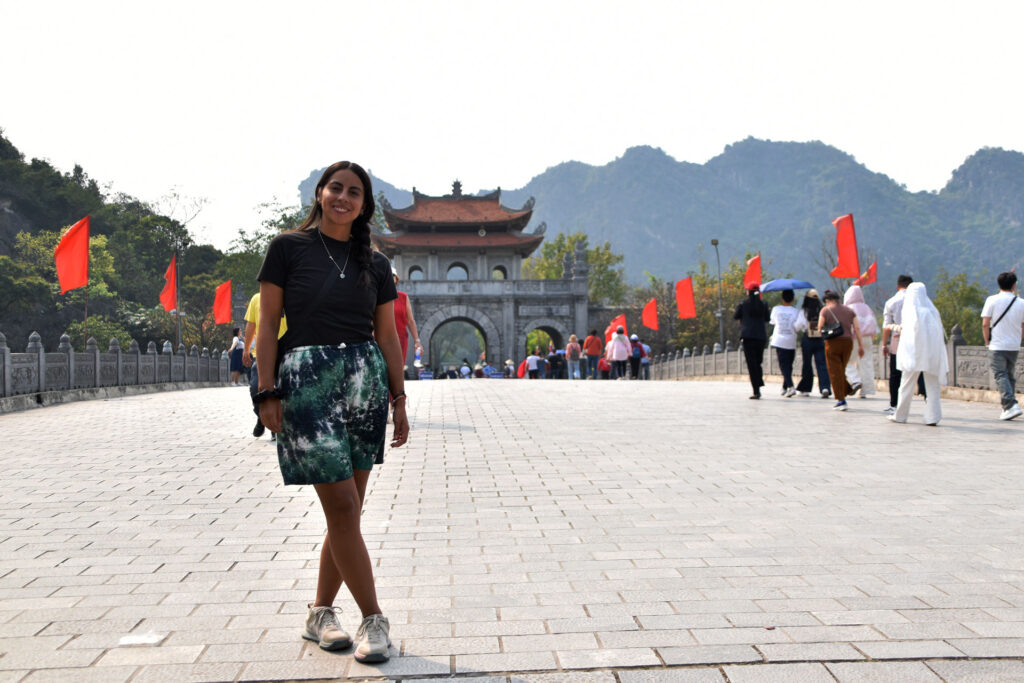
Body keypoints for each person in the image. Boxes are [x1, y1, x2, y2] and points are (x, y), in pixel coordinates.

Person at [254, 161, 407, 663]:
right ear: (319, 193)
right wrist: (266, 391)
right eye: (335, 188)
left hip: (364, 382)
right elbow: (268, 323)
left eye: (354, 192)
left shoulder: (375, 263)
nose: (343, 197)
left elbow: (387, 336)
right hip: (307, 382)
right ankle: (374, 619)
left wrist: (399, 398)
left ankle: (319, 613)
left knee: (348, 513)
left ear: (364, 205)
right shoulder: (287, 247)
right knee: (342, 507)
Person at [890, 282, 947, 425]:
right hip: (931, 354)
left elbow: (909, 336)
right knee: (932, 386)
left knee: (906, 385)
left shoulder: (911, 311)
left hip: (913, 354)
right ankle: (933, 417)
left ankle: (900, 415)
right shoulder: (932, 311)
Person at [242, 292, 288, 439]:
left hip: (286, 351)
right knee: (255, 387)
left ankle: (276, 424)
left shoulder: (289, 295)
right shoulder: (257, 298)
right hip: (262, 352)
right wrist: (246, 349)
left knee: (283, 389)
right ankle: (261, 416)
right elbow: (251, 325)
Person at [981, 271, 1024, 420]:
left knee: (1000, 374)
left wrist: (987, 341)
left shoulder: (991, 300)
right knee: (1009, 375)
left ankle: (1011, 405)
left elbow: (985, 324)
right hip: (1014, 345)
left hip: (997, 345)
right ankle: (1007, 408)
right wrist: (1018, 338)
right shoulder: (1021, 302)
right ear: (1014, 285)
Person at [882, 275, 926, 415]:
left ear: (898, 286)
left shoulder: (891, 302)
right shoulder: (921, 301)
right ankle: (927, 398)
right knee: (919, 369)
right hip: (917, 340)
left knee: (895, 374)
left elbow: (886, 326)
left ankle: (894, 404)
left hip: (898, 340)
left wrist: (884, 344)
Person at [818, 289, 864, 411]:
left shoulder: (825, 310)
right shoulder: (850, 310)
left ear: (827, 300)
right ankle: (847, 389)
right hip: (848, 343)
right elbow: (857, 328)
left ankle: (841, 400)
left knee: (834, 371)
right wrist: (861, 345)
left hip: (832, 343)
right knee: (841, 370)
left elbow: (820, 327)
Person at [843, 285, 879, 399]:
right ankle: (865, 391)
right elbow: (874, 324)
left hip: (854, 338)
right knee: (866, 363)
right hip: (868, 338)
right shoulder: (867, 308)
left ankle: (855, 380)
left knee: (847, 361)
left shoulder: (848, 308)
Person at [734, 286, 770, 399]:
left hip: (748, 337)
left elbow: (736, 316)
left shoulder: (743, 304)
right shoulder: (764, 304)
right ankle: (759, 380)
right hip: (760, 337)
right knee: (758, 362)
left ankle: (756, 390)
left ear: (748, 292)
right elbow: (767, 319)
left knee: (751, 364)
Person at [793, 289, 830, 398]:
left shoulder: (804, 311)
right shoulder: (822, 310)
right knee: (822, 364)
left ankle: (805, 389)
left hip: (807, 339)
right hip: (820, 339)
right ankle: (825, 387)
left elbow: (797, 327)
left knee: (807, 364)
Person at [391, 266, 422, 376]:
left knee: (398, 369)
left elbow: (410, 321)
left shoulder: (403, 297)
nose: (390, 278)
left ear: (396, 279)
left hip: (401, 339)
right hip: (383, 338)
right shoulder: (378, 296)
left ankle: (398, 388)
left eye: (392, 276)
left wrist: (417, 341)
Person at [769, 289, 799, 397]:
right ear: (793, 299)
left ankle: (790, 386)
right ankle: (784, 387)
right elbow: (797, 325)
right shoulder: (796, 311)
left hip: (779, 340)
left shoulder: (776, 309)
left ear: (782, 299)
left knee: (783, 365)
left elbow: (772, 321)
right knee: (789, 365)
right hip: (791, 340)